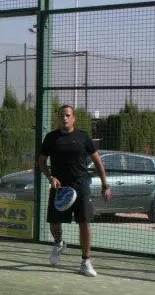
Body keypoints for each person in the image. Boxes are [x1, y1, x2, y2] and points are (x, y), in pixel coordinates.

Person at [37, 104, 112, 277]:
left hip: (81, 186)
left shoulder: (83, 137)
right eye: (61, 115)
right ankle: (59, 243)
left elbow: (98, 162)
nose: (64, 118)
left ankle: (85, 261)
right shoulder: (50, 138)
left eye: (68, 115)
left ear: (74, 118)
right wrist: (50, 177)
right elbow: (41, 161)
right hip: (60, 187)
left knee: (84, 222)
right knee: (54, 224)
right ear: (58, 118)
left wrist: (105, 185)